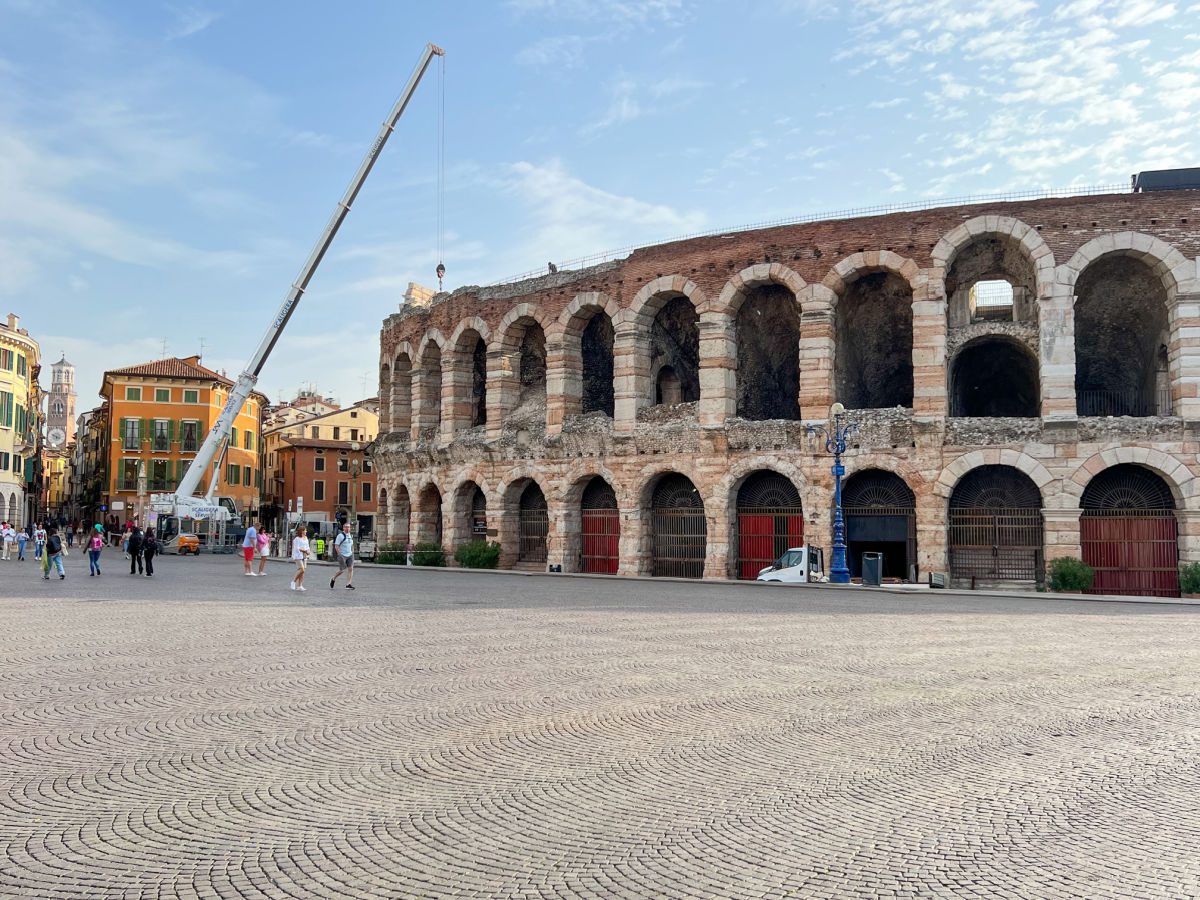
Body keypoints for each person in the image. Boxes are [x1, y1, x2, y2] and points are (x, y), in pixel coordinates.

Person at [330, 522, 356, 590]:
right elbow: (336, 546)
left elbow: (351, 544)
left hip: (350, 554)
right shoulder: (340, 536)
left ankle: (348, 584)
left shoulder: (350, 535)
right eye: (346, 527)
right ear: (343, 528)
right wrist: (339, 554)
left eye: (349, 527)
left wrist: (352, 552)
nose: (347, 528)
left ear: (350, 528)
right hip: (342, 555)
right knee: (342, 570)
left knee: (351, 569)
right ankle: (333, 578)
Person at [289, 524, 311, 591]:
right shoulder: (297, 539)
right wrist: (305, 551)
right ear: (302, 531)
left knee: (302, 571)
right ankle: (293, 582)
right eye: (305, 530)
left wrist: (308, 551)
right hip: (297, 555)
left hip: (304, 555)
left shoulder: (306, 538)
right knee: (302, 569)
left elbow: (307, 546)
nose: (306, 531)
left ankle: (300, 586)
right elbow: (297, 548)